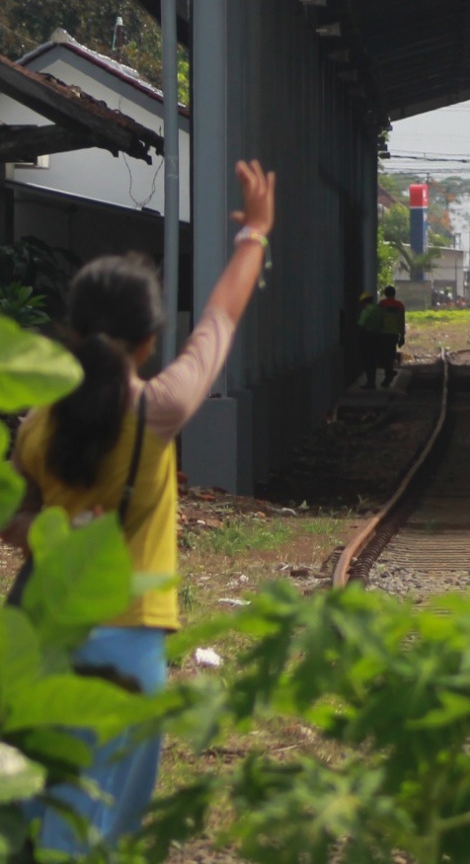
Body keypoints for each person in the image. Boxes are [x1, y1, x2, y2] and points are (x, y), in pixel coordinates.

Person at [5, 160, 275, 855]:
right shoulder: (161, 408)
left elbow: (12, 516)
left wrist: (54, 531)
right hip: (130, 646)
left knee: (49, 822)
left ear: (71, 329)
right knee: (109, 828)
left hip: (41, 640)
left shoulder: (38, 421)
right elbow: (220, 318)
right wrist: (255, 234)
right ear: (151, 338)